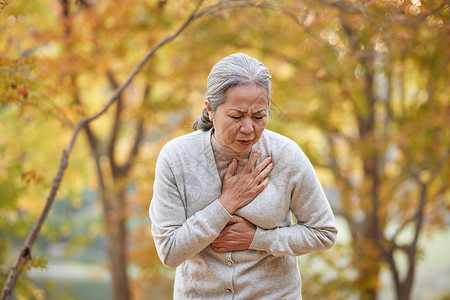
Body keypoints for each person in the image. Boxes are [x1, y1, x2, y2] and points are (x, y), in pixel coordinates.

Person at [149, 53, 338, 299]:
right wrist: (226, 203)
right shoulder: (176, 158)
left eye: (259, 116)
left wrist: (258, 239)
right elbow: (170, 252)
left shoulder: (286, 156)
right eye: (236, 116)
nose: (249, 128)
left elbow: (323, 232)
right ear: (210, 110)